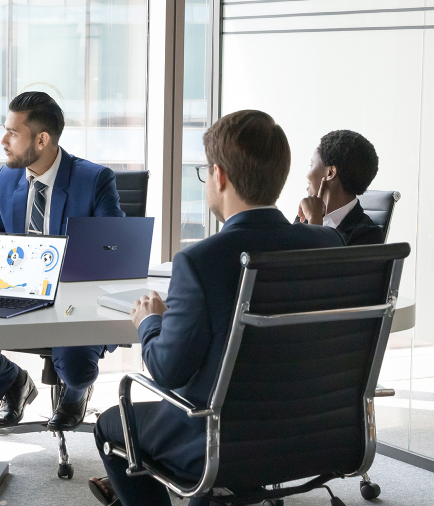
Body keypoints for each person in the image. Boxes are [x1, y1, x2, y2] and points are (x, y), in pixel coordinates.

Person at [89, 110, 345, 506]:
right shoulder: (329, 245)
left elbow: (167, 371)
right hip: (315, 436)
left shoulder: (201, 261)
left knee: (111, 424)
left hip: (220, 443)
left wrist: (150, 322)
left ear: (219, 176)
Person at [0, 91, 125, 431]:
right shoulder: (7, 177)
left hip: (72, 301)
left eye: (12, 132)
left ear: (42, 140)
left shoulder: (94, 179)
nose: (3, 140)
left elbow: (112, 251)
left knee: (76, 367)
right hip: (16, 291)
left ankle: (74, 393)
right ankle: (14, 383)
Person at [296, 130, 384, 245]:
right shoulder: (306, 215)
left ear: (330, 173)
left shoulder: (368, 235)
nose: (307, 175)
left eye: (312, 165)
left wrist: (315, 223)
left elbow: (313, 263)